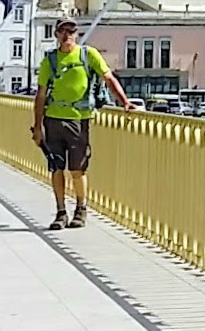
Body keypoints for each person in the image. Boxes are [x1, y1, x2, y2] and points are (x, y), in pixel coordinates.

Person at [32, 17, 135, 230]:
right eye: (63, 31)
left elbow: (109, 78)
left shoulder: (88, 55)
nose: (67, 35)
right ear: (57, 35)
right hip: (54, 119)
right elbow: (40, 96)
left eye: (71, 31)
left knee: (77, 169)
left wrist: (124, 102)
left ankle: (81, 208)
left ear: (76, 34)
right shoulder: (50, 60)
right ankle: (61, 212)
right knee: (57, 168)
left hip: (79, 120)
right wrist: (37, 127)